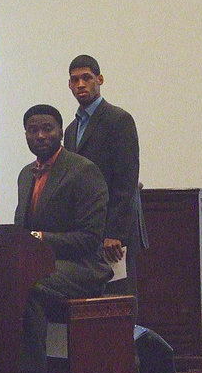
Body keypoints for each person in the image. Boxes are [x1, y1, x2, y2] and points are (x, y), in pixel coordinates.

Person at [15, 104, 112, 373]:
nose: (40, 135)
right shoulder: (25, 175)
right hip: (42, 266)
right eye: (33, 130)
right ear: (26, 135)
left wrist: (41, 240)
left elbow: (89, 240)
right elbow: (22, 229)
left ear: (60, 132)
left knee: (29, 288)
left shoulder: (83, 170)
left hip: (83, 268)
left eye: (47, 129)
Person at [63, 54, 148, 298]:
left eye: (87, 78)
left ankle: (124, 339)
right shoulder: (71, 130)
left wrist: (115, 234)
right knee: (92, 302)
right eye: (75, 80)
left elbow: (126, 180)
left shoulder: (118, 120)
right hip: (86, 230)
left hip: (114, 233)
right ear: (69, 85)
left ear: (99, 80)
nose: (81, 84)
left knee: (118, 298)